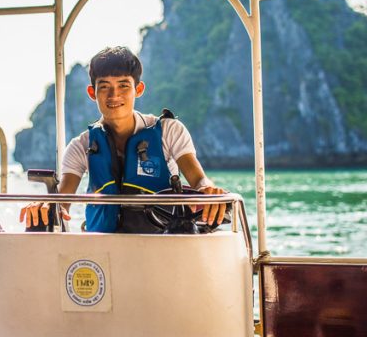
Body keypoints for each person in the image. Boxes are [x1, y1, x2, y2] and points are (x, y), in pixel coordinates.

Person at [20, 46, 228, 232]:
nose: (114, 95)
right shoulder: (80, 146)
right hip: (104, 249)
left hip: (162, 244)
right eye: (104, 87)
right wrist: (45, 205)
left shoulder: (169, 130)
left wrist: (207, 189)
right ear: (92, 92)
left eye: (123, 86)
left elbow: (199, 179)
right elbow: (62, 202)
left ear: (138, 89)